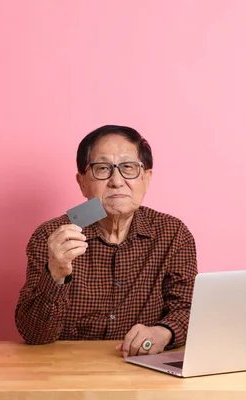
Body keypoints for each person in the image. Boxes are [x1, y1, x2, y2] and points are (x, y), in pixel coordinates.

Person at [15, 125, 198, 357]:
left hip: (144, 369)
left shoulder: (173, 234)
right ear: (82, 182)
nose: (116, 181)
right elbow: (34, 334)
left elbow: (187, 308)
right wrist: (56, 274)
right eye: (102, 169)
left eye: (128, 168)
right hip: (68, 373)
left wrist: (163, 332)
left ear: (147, 179)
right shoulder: (51, 236)